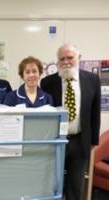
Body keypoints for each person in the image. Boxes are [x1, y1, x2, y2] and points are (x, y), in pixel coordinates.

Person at [40, 43, 101, 200]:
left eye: (70, 58)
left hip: (80, 141)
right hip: (56, 142)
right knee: (55, 185)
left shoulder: (92, 80)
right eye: (62, 59)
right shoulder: (47, 82)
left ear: (78, 58)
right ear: (58, 62)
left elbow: (95, 111)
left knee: (76, 185)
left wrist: (93, 140)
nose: (66, 62)